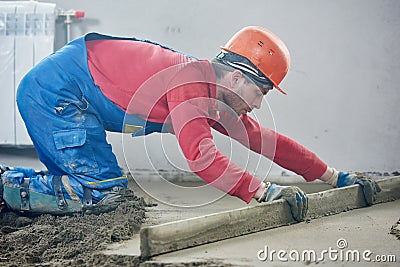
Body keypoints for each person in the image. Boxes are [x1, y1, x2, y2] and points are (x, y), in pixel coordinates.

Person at [0, 26, 380, 220]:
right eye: (261, 92)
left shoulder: (213, 96)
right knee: (103, 195)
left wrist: (334, 176)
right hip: (56, 94)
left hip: (76, 98)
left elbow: (266, 140)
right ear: (236, 79)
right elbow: (201, 157)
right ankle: (4, 186)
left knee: (97, 190)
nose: (260, 105)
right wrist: (264, 191)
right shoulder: (190, 82)